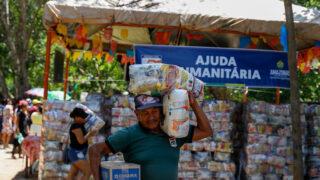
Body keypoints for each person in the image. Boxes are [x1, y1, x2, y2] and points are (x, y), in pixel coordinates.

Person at [89, 92, 213, 180]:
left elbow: (206, 131)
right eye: (145, 113)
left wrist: (194, 105)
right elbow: (94, 150)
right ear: (137, 114)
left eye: (154, 111)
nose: (151, 117)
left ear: (162, 111)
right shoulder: (129, 134)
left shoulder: (174, 131)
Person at [68, 108, 96, 180]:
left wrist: (91, 132)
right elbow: (81, 141)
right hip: (77, 153)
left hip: (77, 152)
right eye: (82, 117)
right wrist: (89, 133)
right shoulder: (76, 126)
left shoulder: (80, 124)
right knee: (88, 171)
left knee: (72, 174)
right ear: (76, 117)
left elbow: (84, 136)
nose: (84, 118)